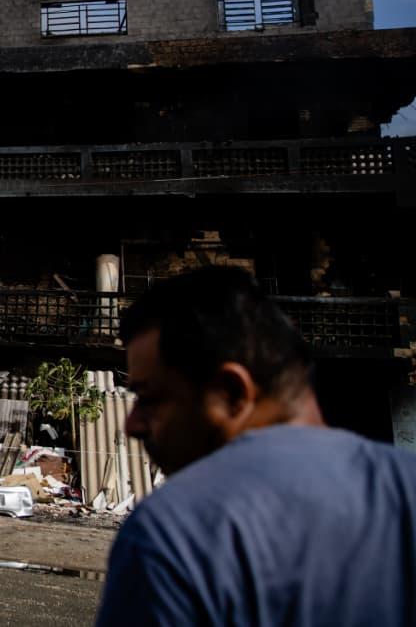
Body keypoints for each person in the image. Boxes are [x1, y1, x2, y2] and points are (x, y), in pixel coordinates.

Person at [95, 266, 416, 626]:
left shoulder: (172, 534)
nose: (132, 424)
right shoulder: (406, 485)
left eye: (148, 398)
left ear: (231, 393)